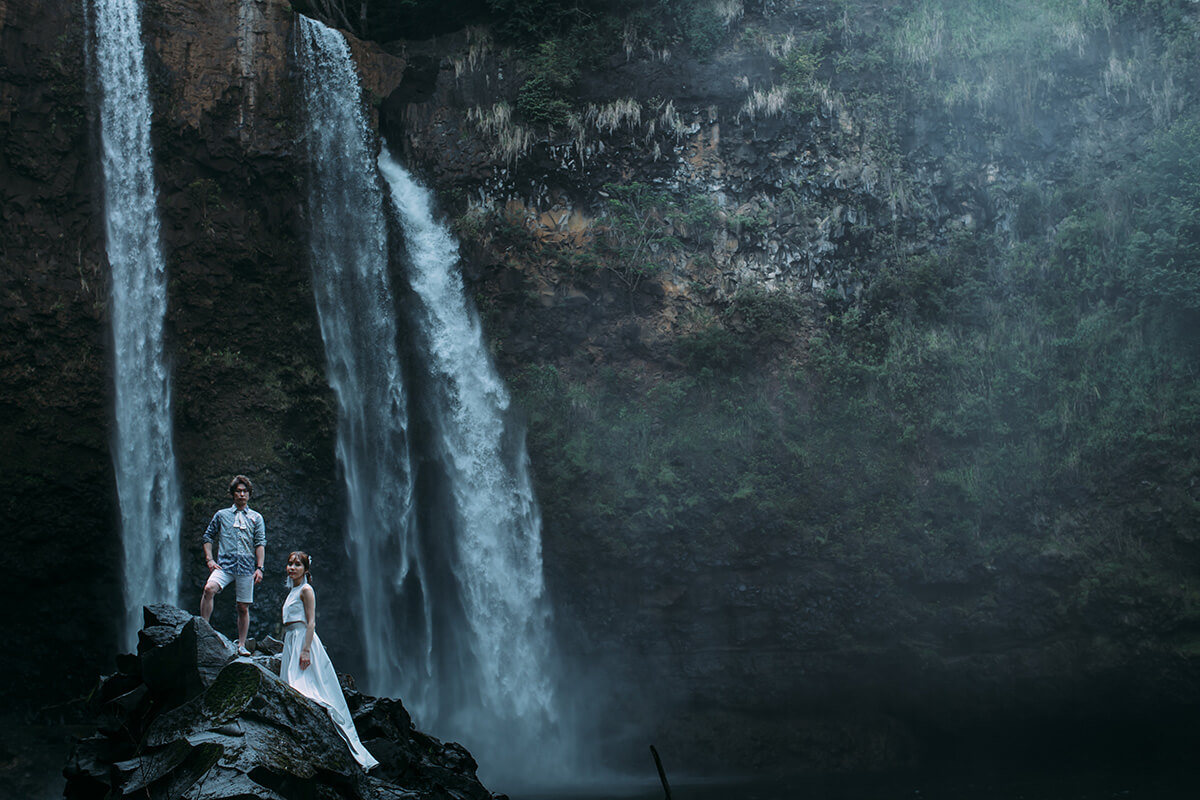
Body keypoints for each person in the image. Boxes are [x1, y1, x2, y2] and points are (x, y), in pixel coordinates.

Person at [281, 551, 379, 770]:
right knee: (292, 687)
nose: (292, 568)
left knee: (306, 689)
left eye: (297, 565)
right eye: (289, 564)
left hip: (303, 643)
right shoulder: (292, 591)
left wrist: (305, 650)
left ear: (306, 570)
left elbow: (311, 623)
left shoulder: (306, 590)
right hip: (291, 641)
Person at [200, 475, 266, 657]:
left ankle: (242, 645)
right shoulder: (222, 515)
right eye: (238, 491)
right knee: (209, 588)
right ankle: (202, 629)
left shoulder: (256, 518)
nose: (241, 494)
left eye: (245, 491)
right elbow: (208, 537)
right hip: (225, 566)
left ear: (249, 494)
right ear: (233, 494)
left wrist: (259, 568)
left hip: (246, 567)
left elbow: (260, 543)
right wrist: (210, 560)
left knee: (242, 607)